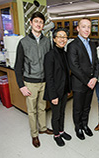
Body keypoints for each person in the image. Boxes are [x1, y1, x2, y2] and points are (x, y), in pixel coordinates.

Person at [14, 11, 53, 148]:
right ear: (31, 23)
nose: (38, 24)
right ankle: (34, 134)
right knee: (32, 110)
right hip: (30, 82)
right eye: (36, 21)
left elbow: (50, 62)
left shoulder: (47, 41)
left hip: (44, 81)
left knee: (43, 107)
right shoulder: (23, 42)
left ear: (43, 25)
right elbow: (17, 66)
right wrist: (21, 85)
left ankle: (42, 128)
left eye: (41, 22)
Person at [67, 18, 99, 140]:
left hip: (92, 82)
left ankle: (85, 125)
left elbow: (97, 63)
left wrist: (95, 77)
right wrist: (87, 81)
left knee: (87, 106)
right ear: (78, 28)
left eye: (88, 27)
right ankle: (78, 127)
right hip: (79, 83)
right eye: (84, 26)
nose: (86, 29)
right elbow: (74, 67)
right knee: (78, 108)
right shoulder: (72, 46)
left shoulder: (92, 44)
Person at [43, 28, 72, 147]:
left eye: (64, 37)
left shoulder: (65, 54)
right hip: (55, 91)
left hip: (64, 90)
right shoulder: (50, 55)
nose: (62, 39)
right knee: (56, 115)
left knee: (62, 112)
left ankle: (61, 131)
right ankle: (56, 135)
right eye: (59, 36)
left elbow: (66, 73)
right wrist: (53, 95)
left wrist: (68, 89)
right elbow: (48, 77)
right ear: (54, 39)